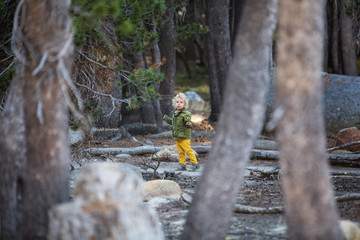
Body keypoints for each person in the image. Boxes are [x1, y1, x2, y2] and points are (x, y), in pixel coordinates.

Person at [163, 93, 200, 171]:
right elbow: (173, 122)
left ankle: (195, 163)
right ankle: (182, 165)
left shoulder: (186, 114)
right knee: (180, 152)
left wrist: (189, 123)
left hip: (184, 137)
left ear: (184, 104)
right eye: (177, 102)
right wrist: (166, 119)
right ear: (174, 104)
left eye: (181, 102)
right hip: (177, 137)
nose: (179, 104)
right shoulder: (175, 113)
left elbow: (188, 122)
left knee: (188, 151)